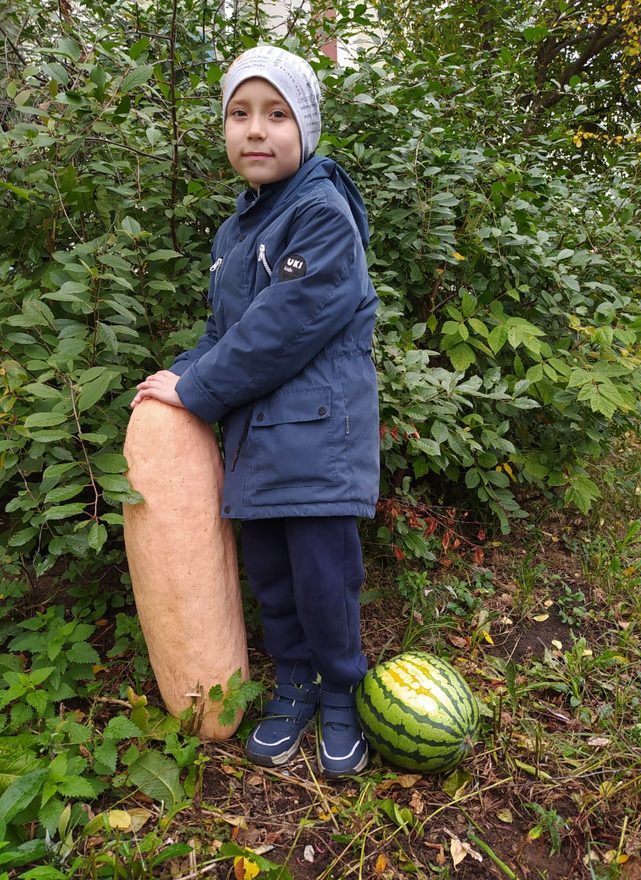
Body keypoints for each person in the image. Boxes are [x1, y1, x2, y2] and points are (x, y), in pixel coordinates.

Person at [131, 44, 379, 778]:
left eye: (276, 115)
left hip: (316, 447)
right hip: (256, 450)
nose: (255, 131)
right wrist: (179, 374)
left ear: (306, 128)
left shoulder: (322, 214)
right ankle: (295, 684)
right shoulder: (236, 234)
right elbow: (225, 334)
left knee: (323, 582)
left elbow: (287, 325)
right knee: (272, 581)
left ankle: (343, 691)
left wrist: (199, 391)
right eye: (239, 115)